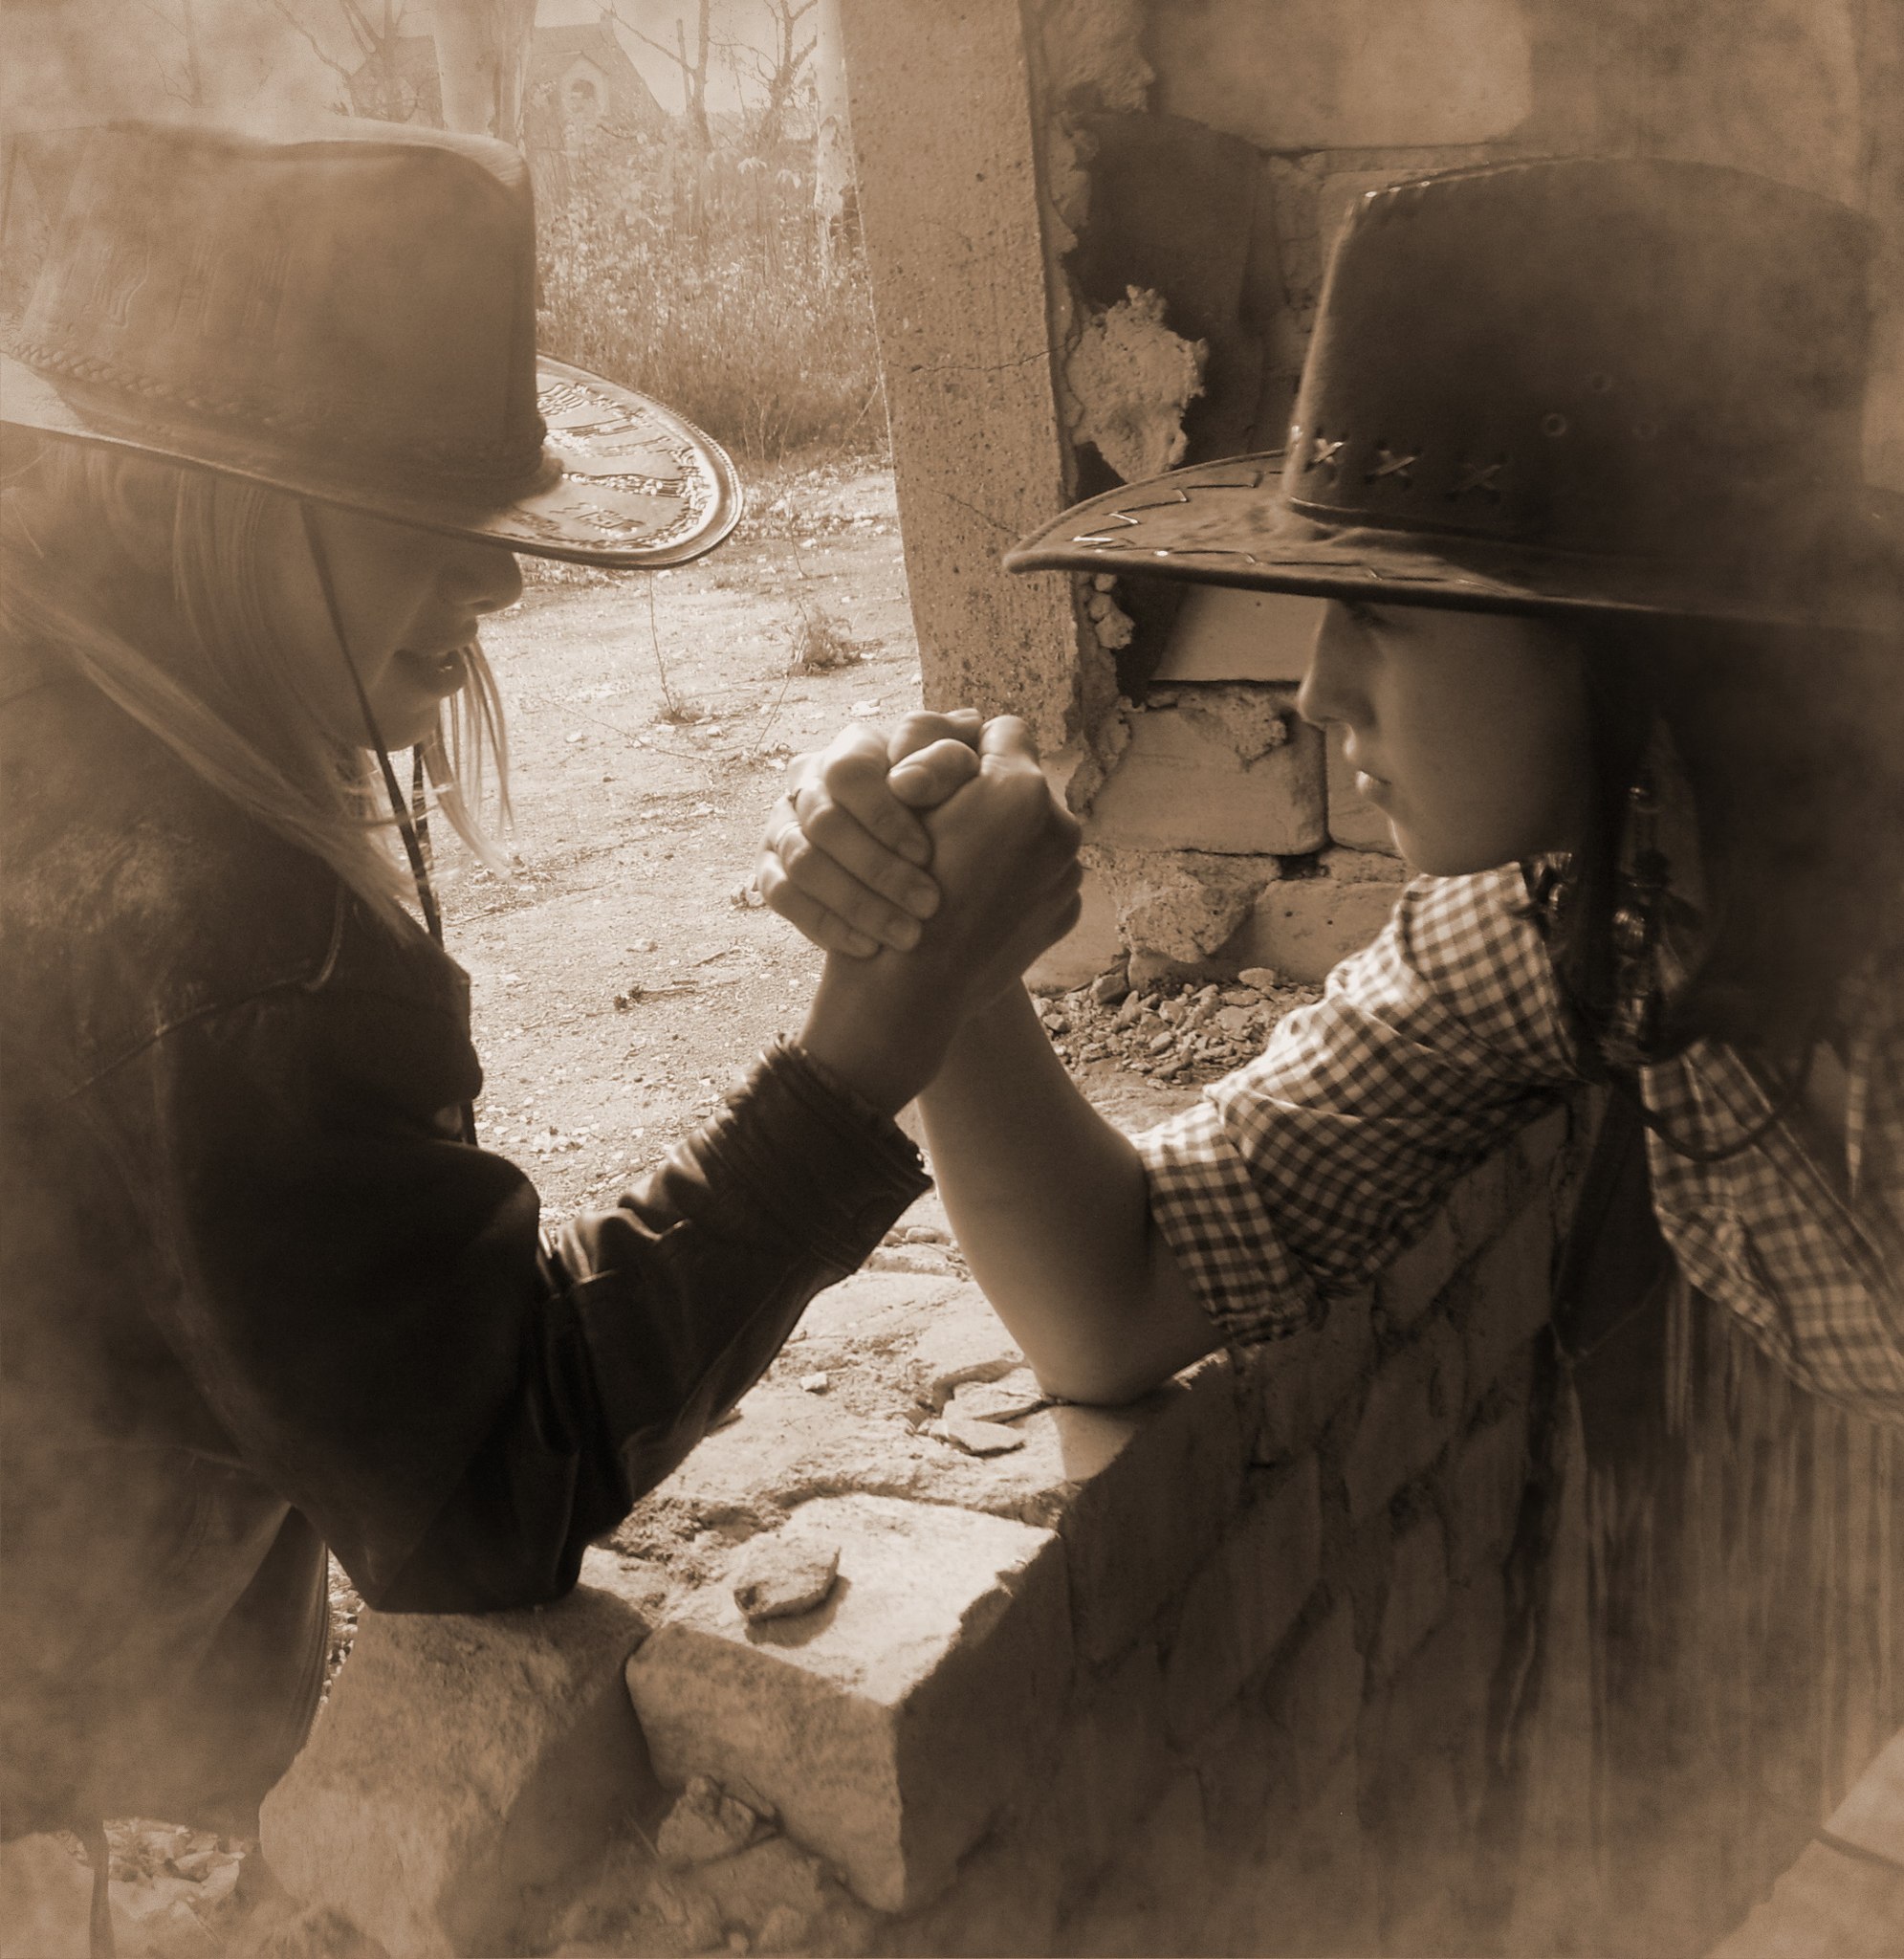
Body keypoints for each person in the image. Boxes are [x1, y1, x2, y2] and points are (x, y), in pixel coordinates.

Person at [761, 156, 1904, 1948]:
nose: (1316, 694)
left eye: (1384, 611)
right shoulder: (1579, 917)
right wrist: (941, 959)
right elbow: (1124, 1294)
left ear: (1626, 642)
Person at [0, 115, 1083, 1895]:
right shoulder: (230, 934)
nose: (499, 581)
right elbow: (483, 1490)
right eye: (416, 518)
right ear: (178, 499)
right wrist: (862, 1052)